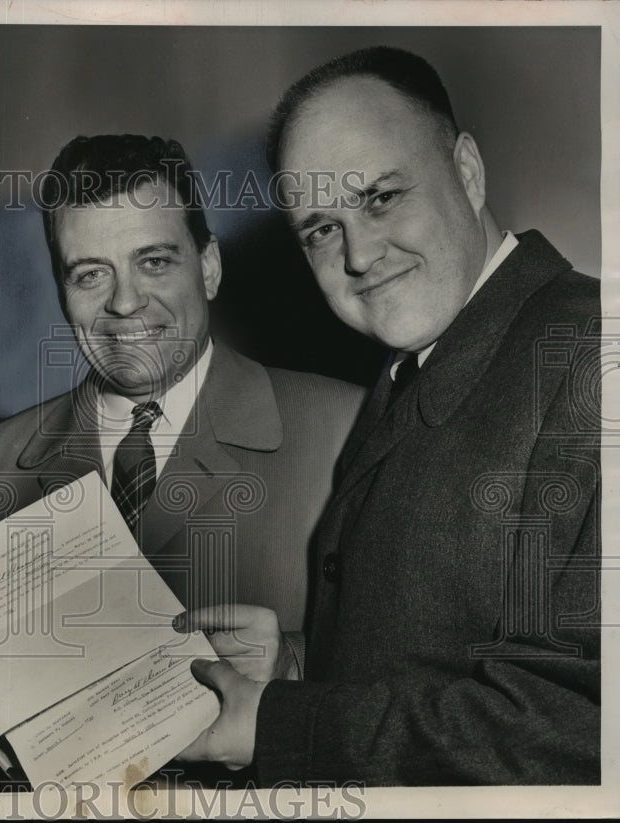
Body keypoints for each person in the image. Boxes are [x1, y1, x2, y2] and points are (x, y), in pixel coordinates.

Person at [177, 46, 600, 785]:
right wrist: (292, 666)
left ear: (467, 172)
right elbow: (427, 651)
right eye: (320, 229)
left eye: (380, 197)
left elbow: (577, 732)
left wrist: (274, 723)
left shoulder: (593, 355)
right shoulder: (405, 371)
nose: (359, 254)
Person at [0, 134, 365, 779]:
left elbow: (425, 686)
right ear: (64, 292)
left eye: (153, 262)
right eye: (90, 273)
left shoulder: (344, 429)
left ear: (209, 266)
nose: (124, 303)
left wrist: (292, 664)